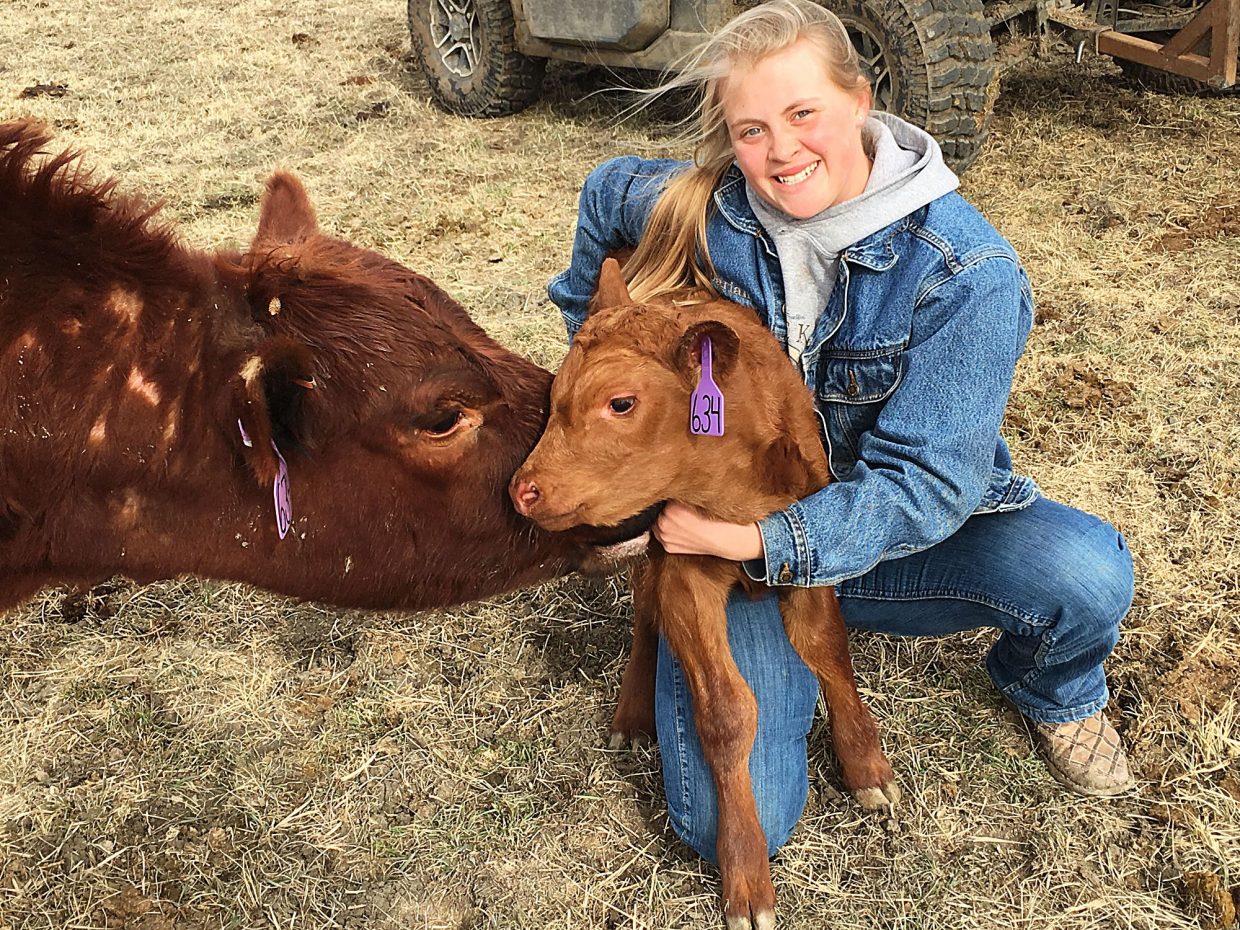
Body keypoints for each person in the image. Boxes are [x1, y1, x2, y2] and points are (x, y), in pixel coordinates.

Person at [548, 0, 1135, 864]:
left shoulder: (963, 273)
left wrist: (755, 539)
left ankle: (1056, 688)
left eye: (803, 114)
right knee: (732, 827)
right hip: (728, 530)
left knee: (1084, 572)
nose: (780, 151)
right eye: (750, 130)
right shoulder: (706, 210)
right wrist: (603, 372)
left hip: (875, 536)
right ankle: (778, 643)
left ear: (862, 99)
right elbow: (606, 193)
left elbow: (926, 487)